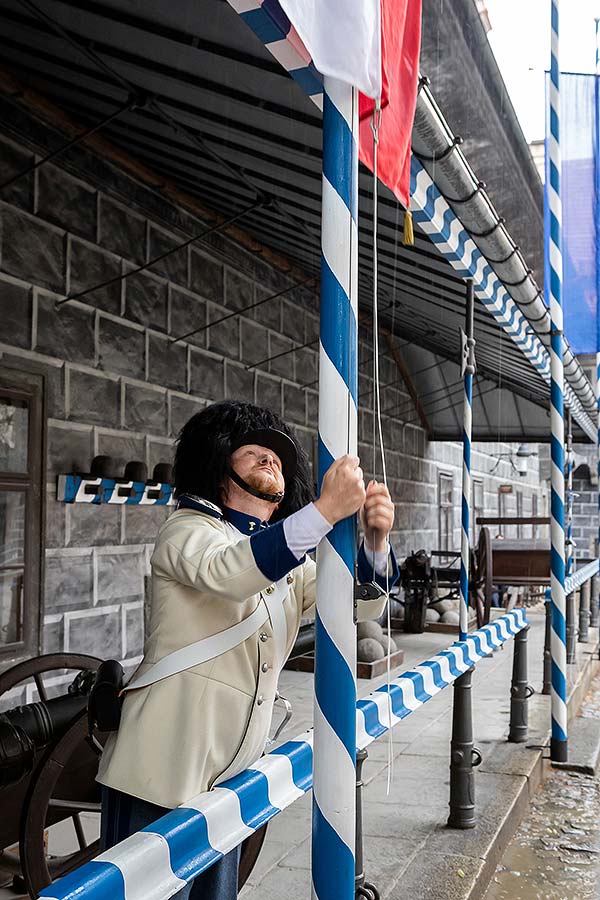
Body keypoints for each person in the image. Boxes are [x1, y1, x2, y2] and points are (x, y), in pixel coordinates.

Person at [97, 400, 398, 899]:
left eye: (277, 456)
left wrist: (373, 545)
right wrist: (325, 512)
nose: (270, 459)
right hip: (158, 773)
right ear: (219, 471)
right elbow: (233, 572)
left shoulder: (286, 557)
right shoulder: (186, 531)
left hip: (230, 779)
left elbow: (355, 609)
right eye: (253, 452)